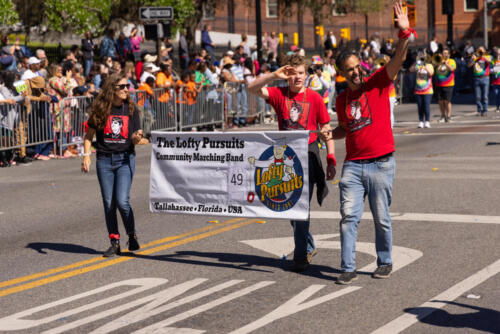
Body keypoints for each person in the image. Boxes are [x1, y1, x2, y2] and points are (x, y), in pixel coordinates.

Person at [323, 2, 411, 284]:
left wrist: (404, 33)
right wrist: (329, 134)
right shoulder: (341, 99)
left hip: (382, 162)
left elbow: (397, 60)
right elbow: (346, 129)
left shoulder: (378, 82)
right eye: (348, 70)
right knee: (348, 218)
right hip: (354, 166)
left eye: (356, 67)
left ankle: (384, 260)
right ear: (341, 73)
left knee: (381, 218)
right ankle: (347, 267)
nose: (355, 73)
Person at [248, 53, 336, 272]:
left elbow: (326, 130)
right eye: (293, 73)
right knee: (290, 209)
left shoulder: (315, 98)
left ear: (306, 75)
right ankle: (308, 245)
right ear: (287, 75)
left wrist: (331, 158)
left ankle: (300, 257)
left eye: (301, 73)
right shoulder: (279, 94)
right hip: (286, 157)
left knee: (301, 208)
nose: (297, 77)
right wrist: (273, 75)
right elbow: (251, 88)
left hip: (309, 154)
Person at [81, 73, 144, 257]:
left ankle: (131, 235)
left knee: (122, 201)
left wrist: (136, 138)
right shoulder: (100, 109)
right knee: (109, 203)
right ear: (112, 90)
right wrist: (86, 156)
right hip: (104, 160)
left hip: (125, 159)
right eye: (122, 86)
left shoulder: (131, 109)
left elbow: (136, 137)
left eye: (127, 86)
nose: (126, 90)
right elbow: (88, 136)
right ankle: (114, 242)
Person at [411, 54, 434, 128]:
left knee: (426, 105)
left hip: (427, 90)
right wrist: (416, 64)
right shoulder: (418, 65)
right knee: (420, 106)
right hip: (418, 89)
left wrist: (425, 67)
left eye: (423, 58)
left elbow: (431, 73)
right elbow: (411, 69)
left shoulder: (429, 65)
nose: (422, 59)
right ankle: (421, 121)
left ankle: (427, 121)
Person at [468, 46, 491, 116]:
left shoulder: (487, 56)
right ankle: (479, 109)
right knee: (478, 96)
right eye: (479, 50)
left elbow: (489, 61)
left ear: (484, 51)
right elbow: (469, 65)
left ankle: (485, 110)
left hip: (485, 78)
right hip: (477, 78)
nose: (480, 51)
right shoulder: (475, 57)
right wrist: (472, 59)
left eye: (481, 50)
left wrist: (482, 55)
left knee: (485, 96)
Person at [435, 48, 456, 122]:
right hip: (439, 83)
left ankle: (449, 116)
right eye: (444, 53)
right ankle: (442, 116)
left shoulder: (451, 61)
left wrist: (445, 63)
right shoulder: (438, 61)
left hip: (449, 84)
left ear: (449, 55)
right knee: (440, 101)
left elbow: (452, 69)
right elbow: (434, 65)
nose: (445, 54)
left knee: (447, 101)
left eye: (446, 53)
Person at [492, 48, 500, 113]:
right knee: (496, 94)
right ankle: (497, 107)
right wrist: (493, 70)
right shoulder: (493, 61)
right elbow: (490, 69)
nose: (498, 55)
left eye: (499, 54)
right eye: (497, 54)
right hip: (495, 81)